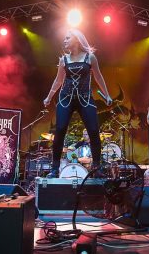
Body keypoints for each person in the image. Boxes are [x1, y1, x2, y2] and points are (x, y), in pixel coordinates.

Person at [43, 30, 112, 177]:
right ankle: (55, 169)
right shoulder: (64, 60)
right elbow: (58, 80)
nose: (64, 41)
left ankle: (97, 168)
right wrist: (49, 97)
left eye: (67, 38)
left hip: (85, 99)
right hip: (65, 98)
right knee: (60, 130)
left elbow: (98, 77)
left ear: (77, 39)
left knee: (93, 131)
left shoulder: (90, 57)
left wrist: (107, 95)